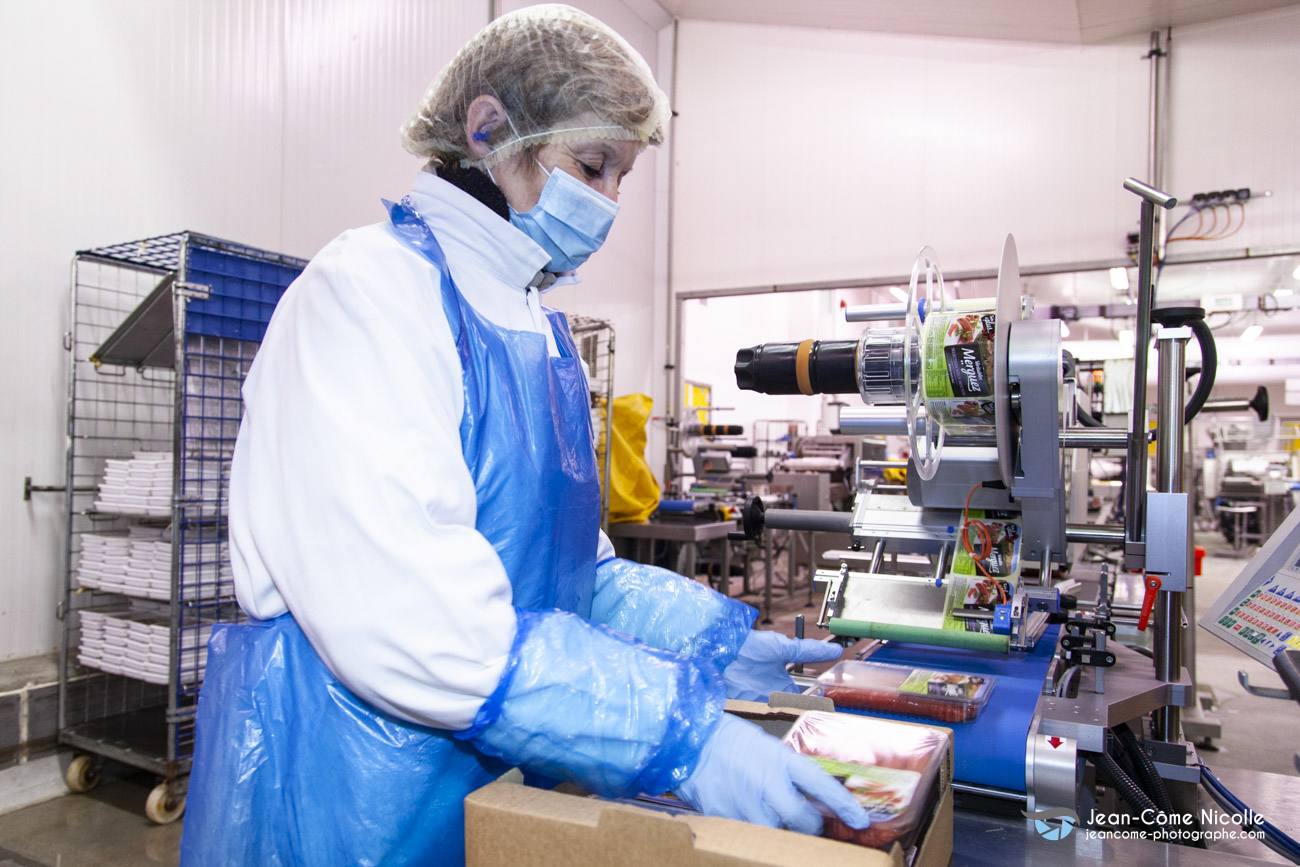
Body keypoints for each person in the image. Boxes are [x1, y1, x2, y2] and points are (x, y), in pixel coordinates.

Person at [179, 6, 869, 864]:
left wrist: (709, 648)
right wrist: (676, 729)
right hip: (348, 807)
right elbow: (414, 620)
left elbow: (571, 577)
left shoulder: (543, 336)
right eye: (593, 165)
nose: (611, 202)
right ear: (489, 130)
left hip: (502, 800)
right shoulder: (365, 295)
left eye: (623, 175)